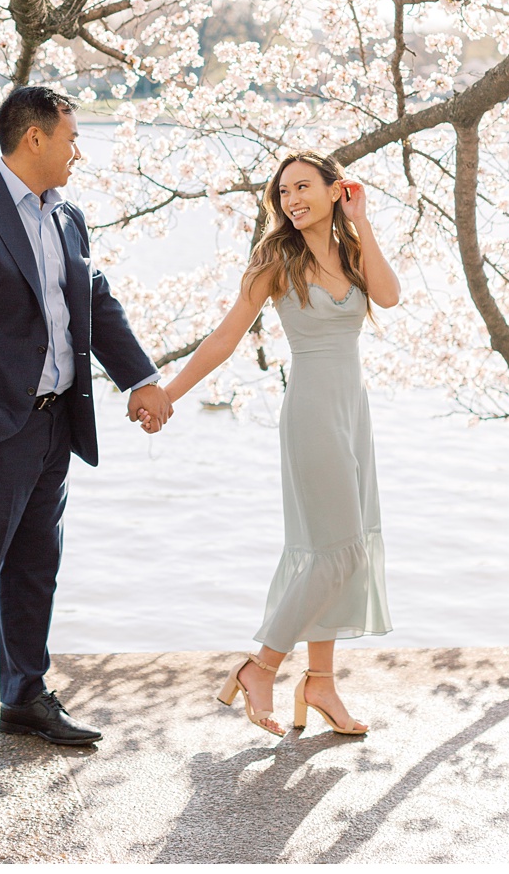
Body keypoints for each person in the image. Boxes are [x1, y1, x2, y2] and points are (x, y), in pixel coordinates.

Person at [0, 85, 170, 772]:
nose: (79, 150)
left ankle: (24, 694)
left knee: (34, 567)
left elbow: (92, 302)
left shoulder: (68, 217)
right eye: (71, 136)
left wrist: (139, 376)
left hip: (52, 424)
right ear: (35, 137)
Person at [160, 151, 399, 737]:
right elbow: (224, 337)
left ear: (334, 189)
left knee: (340, 547)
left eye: (303, 187)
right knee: (335, 551)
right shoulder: (276, 260)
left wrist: (362, 222)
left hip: (353, 411)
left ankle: (320, 684)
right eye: (283, 191)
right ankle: (260, 665)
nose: (291, 199)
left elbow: (389, 296)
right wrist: (169, 392)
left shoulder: (350, 251)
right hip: (313, 411)